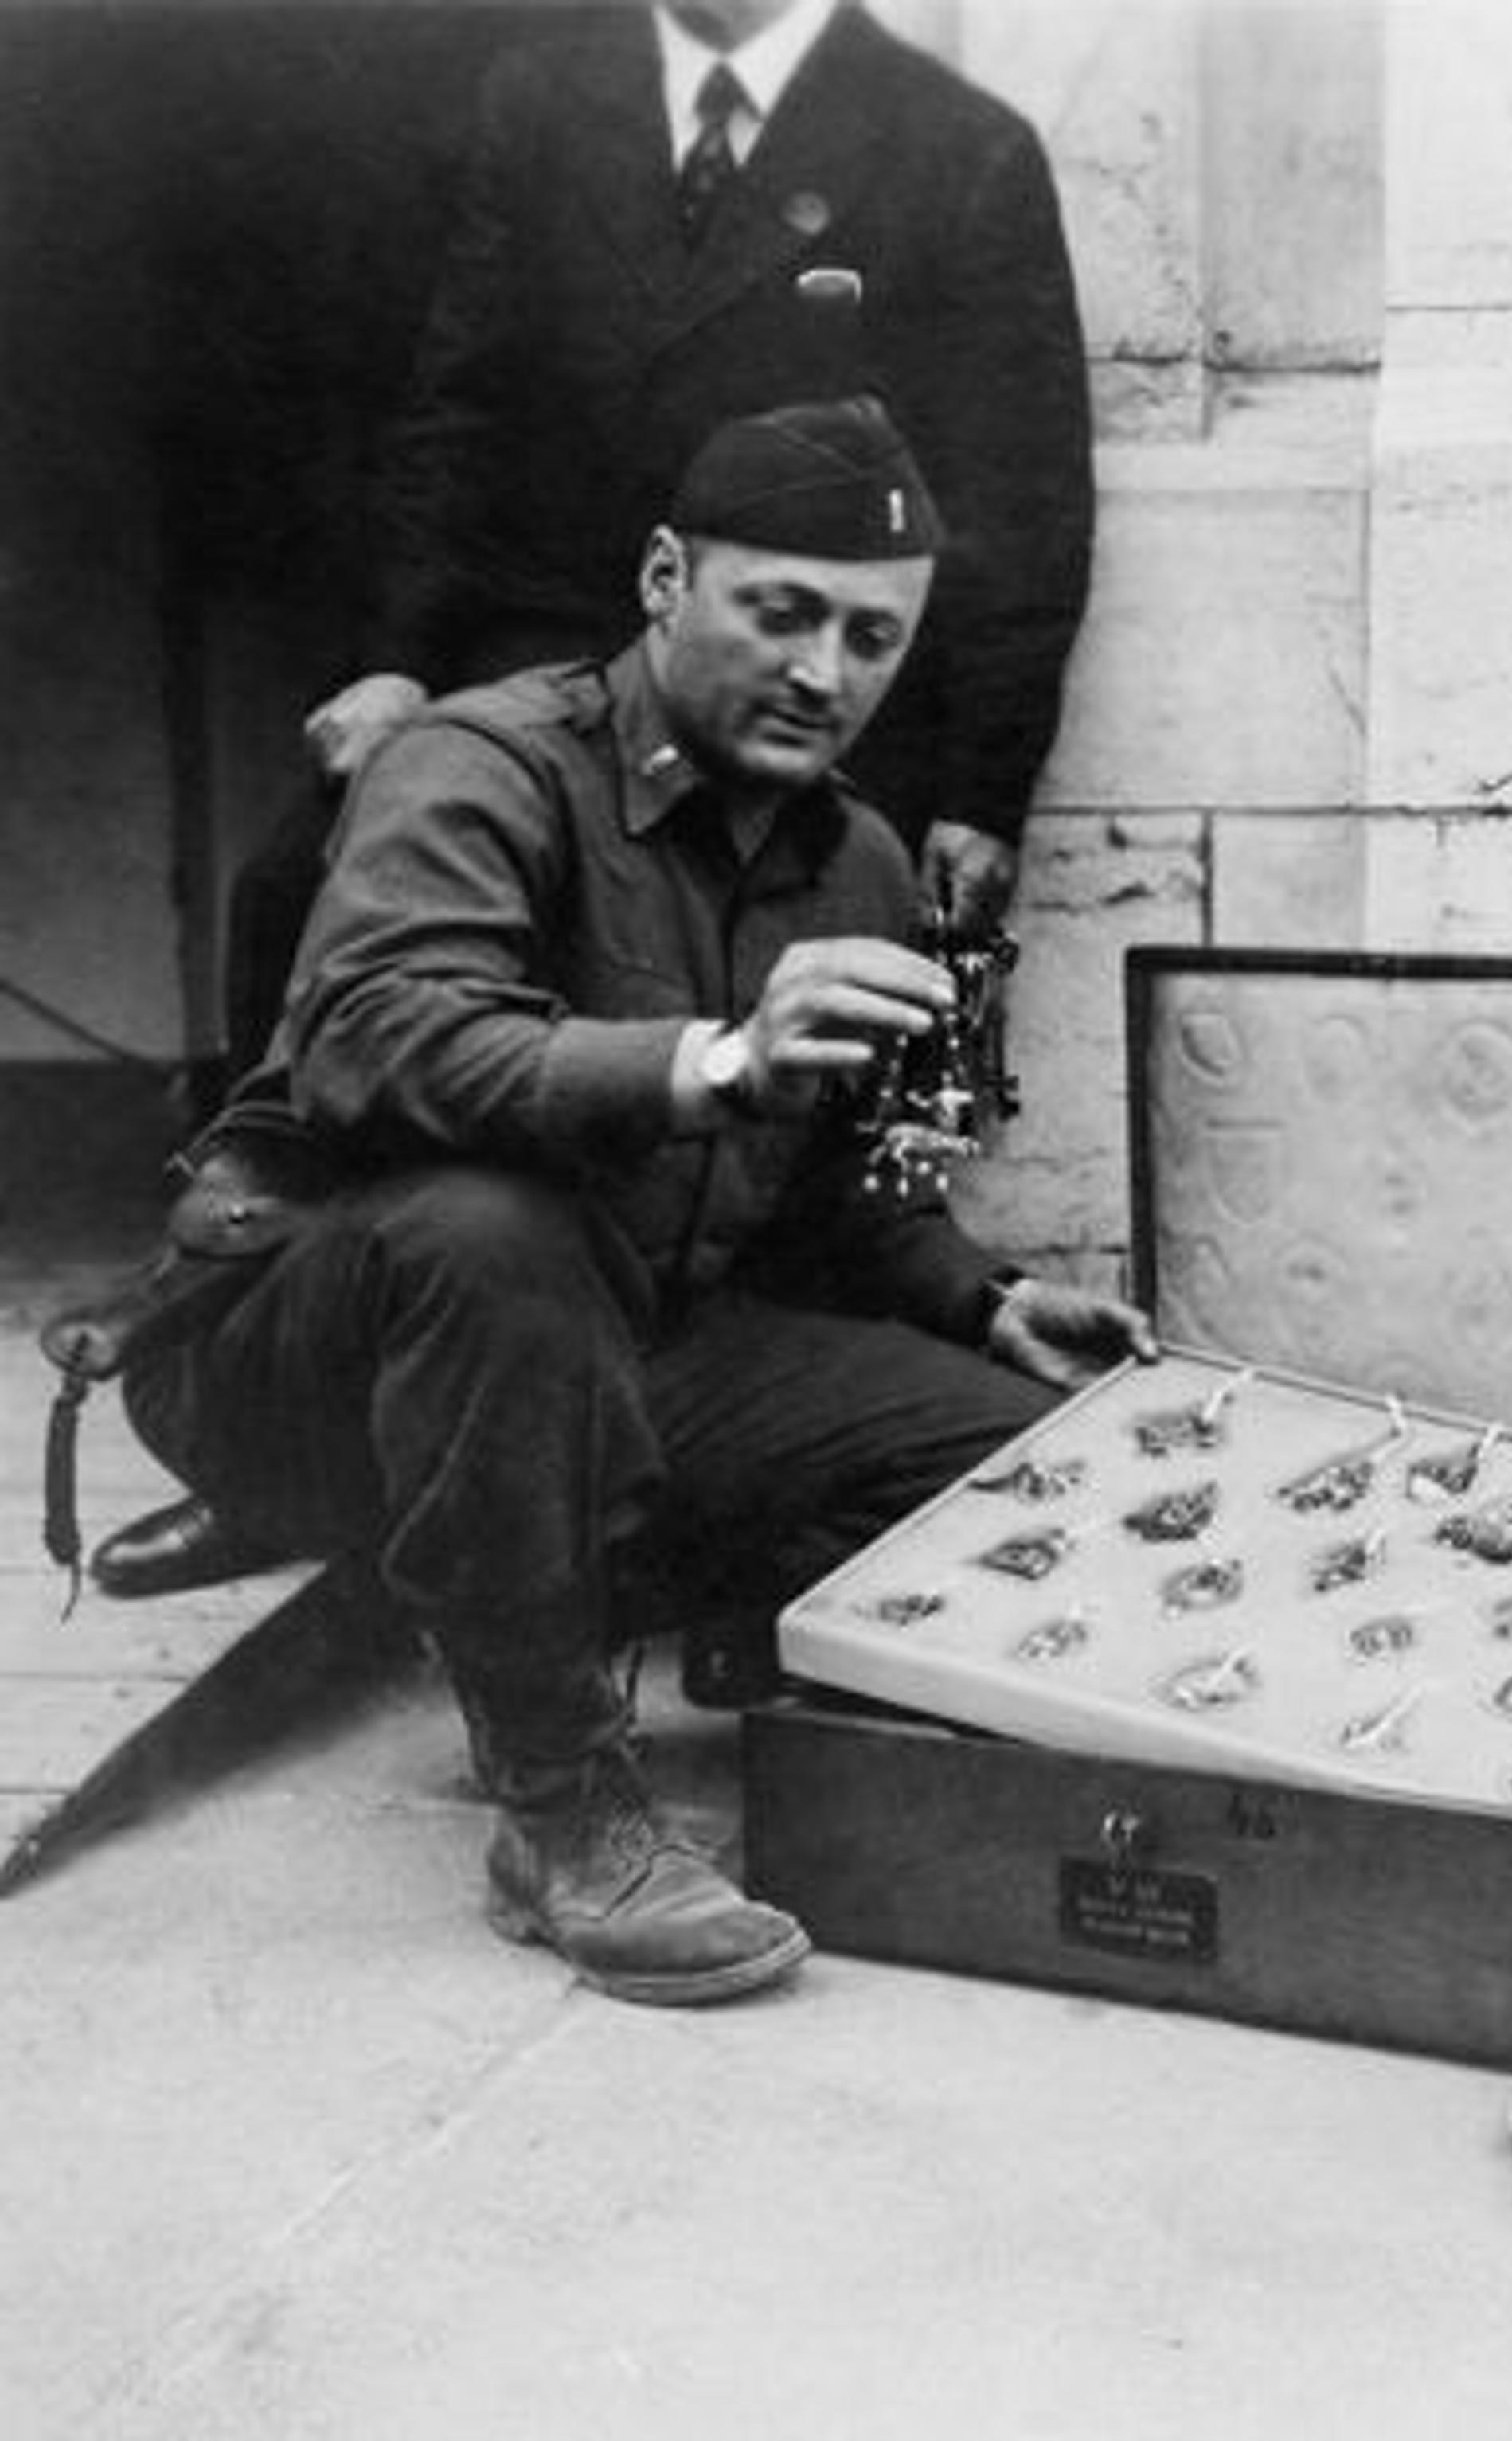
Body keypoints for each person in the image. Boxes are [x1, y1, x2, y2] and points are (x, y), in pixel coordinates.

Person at [118, 399, 1155, 2006]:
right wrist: (715, 1056)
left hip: (601, 1352)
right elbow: (380, 1037)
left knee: (1011, 1454)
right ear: (667, 577)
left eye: (875, 636)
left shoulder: (859, 856)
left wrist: (981, 1297)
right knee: (491, 1230)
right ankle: (558, 1806)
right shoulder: (480, 762)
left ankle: (661, 1613)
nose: (829, 671)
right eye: (784, 610)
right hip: (293, 1359)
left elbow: (826, 1210)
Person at [104, 0, 1093, 1600]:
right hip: (567, 648)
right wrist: (398, 665)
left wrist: (984, 784)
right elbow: (460, 403)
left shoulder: (953, 145)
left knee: (891, 1060)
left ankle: (683, 1461)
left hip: (810, 709)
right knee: (309, 898)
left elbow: (1027, 493)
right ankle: (293, 1438)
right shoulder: (547, 95)